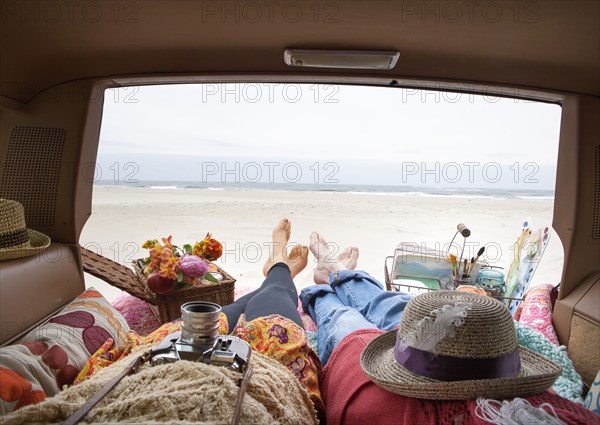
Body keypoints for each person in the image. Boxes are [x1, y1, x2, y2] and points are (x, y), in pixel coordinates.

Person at [300, 232, 599, 425]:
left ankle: (325, 285)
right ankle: (341, 273)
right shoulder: (572, 417)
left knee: (347, 324)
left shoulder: (372, 409)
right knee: (401, 308)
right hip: (449, 347)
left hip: (406, 368)